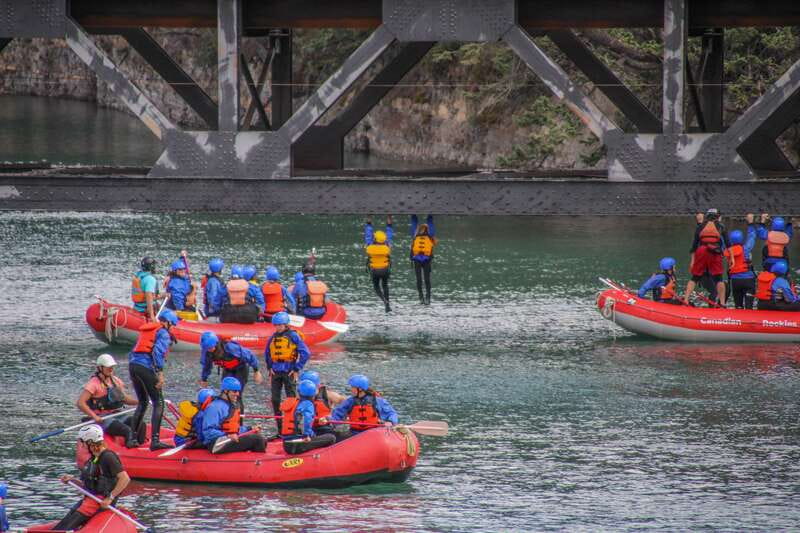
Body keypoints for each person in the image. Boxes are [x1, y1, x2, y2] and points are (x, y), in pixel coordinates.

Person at [52, 425, 130, 531]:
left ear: (90, 442)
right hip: (89, 499)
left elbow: (125, 479)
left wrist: (110, 498)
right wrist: (73, 480)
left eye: (82, 442)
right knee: (62, 524)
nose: (80, 445)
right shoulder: (94, 458)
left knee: (65, 527)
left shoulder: (108, 457)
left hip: (99, 502)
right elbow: (90, 485)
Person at [128, 309, 178, 450]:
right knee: (158, 402)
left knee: (143, 402)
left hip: (133, 366)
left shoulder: (148, 331)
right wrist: (159, 373)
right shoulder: (163, 333)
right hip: (145, 367)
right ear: (167, 323)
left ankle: (132, 439)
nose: (173, 328)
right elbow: (157, 352)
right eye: (173, 325)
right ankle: (155, 441)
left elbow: (134, 351)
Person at [77, 354, 141, 448]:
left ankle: (142, 447)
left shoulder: (116, 381)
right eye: (108, 367)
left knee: (140, 424)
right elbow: (80, 403)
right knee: (127, 430)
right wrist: (94, 416)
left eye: (112, 367)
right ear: (100, 368)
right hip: (102, 418)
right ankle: (129, 448)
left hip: (116, 415)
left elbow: (125, 399)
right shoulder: (93, 384)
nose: (111, 369)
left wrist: (140, 402)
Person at [264, 311, 311, 433]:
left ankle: (293, 427)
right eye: (276, 325)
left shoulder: (293, 336)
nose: (278, 327)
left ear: (286, 325)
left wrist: (296, 368)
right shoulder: (272, 338)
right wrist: (270, 367)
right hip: (276, 372)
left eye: (280, 325)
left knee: (291, 399)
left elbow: (305, 353)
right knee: (275, 400)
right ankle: (280, 429)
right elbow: (267, 353)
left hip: (289, 371)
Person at [199, 331, 263, 411]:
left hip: (241, 369)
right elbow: (207, 366)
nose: (210, 350)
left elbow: (250, 355)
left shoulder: (230, 347)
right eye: (207, 348)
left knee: (236, 394)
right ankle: (226, 417)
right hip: (228, 369)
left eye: (211, 347)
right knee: (225, 394)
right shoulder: (207, 352)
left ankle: (239, 419)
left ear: (216, 343)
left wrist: (256, 371)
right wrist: (204, 379)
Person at [201, 377, 265, 454]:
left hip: (227, 438)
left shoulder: (229, 405)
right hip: (216, 443)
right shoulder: (214, 407)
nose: (237, 394)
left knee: (263, 441)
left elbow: (233, 429)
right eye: (234, 391)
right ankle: (258, 464)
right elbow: (208, 432)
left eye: (238, 391)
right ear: (225, 391)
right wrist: (227, 435)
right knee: (258, 440)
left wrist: (249, 429)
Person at [331, 374, 399, 439]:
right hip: (354, 433)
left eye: (352, 387)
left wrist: (390, 422)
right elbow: (337, 414)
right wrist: (329, 420)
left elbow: (391, 413)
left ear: (360, 389)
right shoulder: (350, 402)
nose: (351, 390)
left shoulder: (377, 401)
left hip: (373, 433)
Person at [683, 209, 728, 306]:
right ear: (717, 217)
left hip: (702, 251)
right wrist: (731, 259)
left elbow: (694, 245)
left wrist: (692, 261)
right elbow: (728, 244)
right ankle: (723, 304)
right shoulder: (721, 226)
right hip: (715, 252)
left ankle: (686, 299)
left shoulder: (701, 227)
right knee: (719, 279)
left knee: (694, 277)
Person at [280, 379, 337, 455]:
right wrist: (307, 435)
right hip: (298, 445)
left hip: (286, 445)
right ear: (313, 395)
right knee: (331, 437)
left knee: (316, 435)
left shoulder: (293, 402)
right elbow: (306, 421)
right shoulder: (308, 405)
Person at [299, 370, 346, 439]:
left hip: (326, 428)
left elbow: (346, 404)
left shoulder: (328, 395)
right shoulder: (301, 396)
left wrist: (341, 417)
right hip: (310, 430)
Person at [726, 218, 758, 310]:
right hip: (748, 280)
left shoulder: (728, 251)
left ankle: (739, 318)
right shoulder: (746, 248)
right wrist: (750, 223)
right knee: (749, 307)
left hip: (735, 281)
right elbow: (752, 236)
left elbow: (722, 241)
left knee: (738, 306)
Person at [365, 216, 393, 312]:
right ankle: (388, 304)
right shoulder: (387, 246)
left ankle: (384, 301)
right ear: (383, 239)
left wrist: (369, 223)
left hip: (375, 271)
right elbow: (389, 235)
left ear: (375, 238)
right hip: (385, 270)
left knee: (376, 287)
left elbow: (368, 236)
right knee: (385, 286)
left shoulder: (370, 246)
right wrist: (389, 224)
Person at [410, 215, 437, 305]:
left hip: (426, 259)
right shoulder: (415, 234)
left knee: (427, 279)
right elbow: (414, 224)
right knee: (419, 279)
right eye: (420, 228)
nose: (420, 229)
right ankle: (421, 297)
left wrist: (430, 216)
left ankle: (428, 297)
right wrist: (413, 216)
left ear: (425, 229)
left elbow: (431, 225)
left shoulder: (430, 235)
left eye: (422, 228)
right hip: (417, 259)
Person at [131, 256, 162, 321]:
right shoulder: (150, 279)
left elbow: (147, 295)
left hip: (137, 308)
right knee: (167, 313)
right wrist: (152, 316)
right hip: (145, 310)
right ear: (151, 267)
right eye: (154, 266)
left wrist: (163, 295)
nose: (155, 268)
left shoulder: (139, 275)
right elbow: (149, 298)